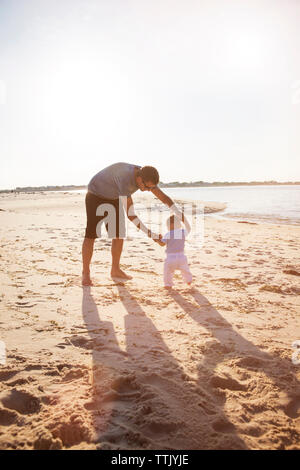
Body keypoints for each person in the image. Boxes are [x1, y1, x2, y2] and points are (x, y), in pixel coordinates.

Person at [82, 162, 183, 286]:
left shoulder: (145, 175)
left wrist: (177, 212)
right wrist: (152, 235)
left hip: (113, 196)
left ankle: (115, 270)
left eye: (150, 188)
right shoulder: (125, 181)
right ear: (139, 179)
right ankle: (85, 273)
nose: (147, 190)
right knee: (91, 235)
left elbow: (162, 197)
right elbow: (131, 215)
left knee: (119, 234)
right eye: (147, 187)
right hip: (95, 194)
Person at [157, 214, 193, 289]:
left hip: (170, 258)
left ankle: (168, 284)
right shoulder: (183, 232)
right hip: (181, 257)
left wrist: (158, 240)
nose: (167, 228)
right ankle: (188, 280)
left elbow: (162, 244)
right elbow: (189, 228)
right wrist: (184, 219)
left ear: (171, 225)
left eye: (167, 226)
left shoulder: (168, 234)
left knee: (167, 271)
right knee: (185, 269)